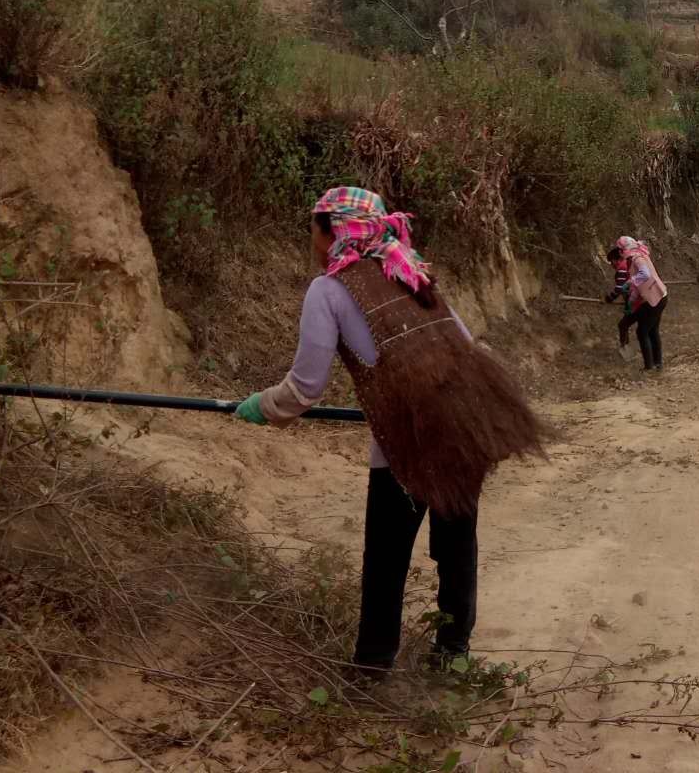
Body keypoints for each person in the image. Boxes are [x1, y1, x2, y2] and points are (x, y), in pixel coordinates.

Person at [231, 187, 545, 676]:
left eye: (313, 229)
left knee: (386, 557)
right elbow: (467, 345)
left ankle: (373, 665)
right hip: (467, 425)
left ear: (331, 231)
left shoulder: (328, 290)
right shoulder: (410, 271)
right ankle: (453, 653)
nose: (311, 240)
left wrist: (262, 407)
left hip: (406, 444)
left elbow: (305, 388)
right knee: (456, 546)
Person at [616, 236, 668, 370]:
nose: (620, 253)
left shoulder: (636, 258)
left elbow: (644, 274)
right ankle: (657, 364)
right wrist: (630, 304)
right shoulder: (641, 255)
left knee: (642, 331)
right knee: (652, 331)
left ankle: (649, 367)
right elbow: (638, 288)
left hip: (654, 299)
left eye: (620, 250)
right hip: (660, 296)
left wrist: (629, 282)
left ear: (624, 250)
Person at [603, 245, 635, 360]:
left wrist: (609, 298)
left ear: (616, 260)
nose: (611, 265)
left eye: (611, 262)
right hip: (632, 299)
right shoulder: (627, 265)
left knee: (623, 325)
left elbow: (619, 288)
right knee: (625, 324)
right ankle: (626, 345)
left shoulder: (622, 268)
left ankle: (625, 347)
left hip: (633, 300)